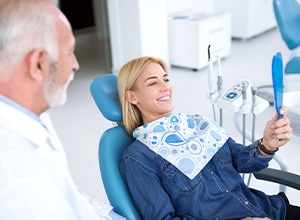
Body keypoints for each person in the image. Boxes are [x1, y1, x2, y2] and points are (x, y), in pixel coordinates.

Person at [117, 56, 299, 220]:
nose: (166, 87)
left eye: (166, 79)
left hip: (267, 209)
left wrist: (266, 145)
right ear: (132, 97)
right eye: (153, 83)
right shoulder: (137, 159)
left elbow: (240, 160)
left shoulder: (198, 124)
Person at [0, 0, 124, 219]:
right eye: (69, 53)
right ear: (38, 64)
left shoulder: (29, 116)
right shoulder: (20, 184)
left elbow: (67, 190)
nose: (76, 64)